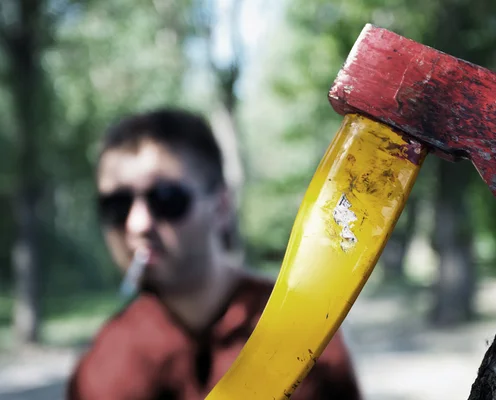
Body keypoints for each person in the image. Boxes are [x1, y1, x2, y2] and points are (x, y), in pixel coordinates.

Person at [67, 108, 362, 399]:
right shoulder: (103, 363)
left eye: (166, 199)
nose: (138, 224)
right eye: (117, 206)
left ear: (221, 206)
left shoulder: (303, 335)